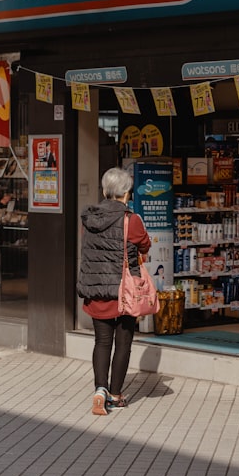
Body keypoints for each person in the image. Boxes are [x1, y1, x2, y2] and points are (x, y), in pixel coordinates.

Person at [77, 167, 151, 416]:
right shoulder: (131, 220)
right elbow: (145, 244)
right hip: (125, 291)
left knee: (102, 341)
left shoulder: (89, 218)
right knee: (123, 343)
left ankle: (100, 389)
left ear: (106, 190)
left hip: (97, 288)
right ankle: (116, 395)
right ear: (127, 192)